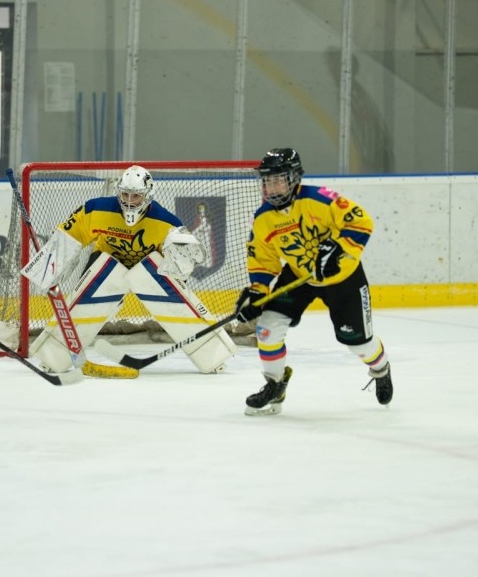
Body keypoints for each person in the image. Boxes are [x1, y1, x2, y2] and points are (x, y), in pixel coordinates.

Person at [22, 165, 236, 378]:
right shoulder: (95, 210)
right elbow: (68, 237)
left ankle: (213, 354)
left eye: (136, 196)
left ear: (148, 195)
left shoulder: (167, 224)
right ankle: (53, 357)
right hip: (106, 265)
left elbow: (178, 271)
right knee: (91, 293)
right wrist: (48, 268)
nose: (129, 201)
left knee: (169, 291)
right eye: (125, 194)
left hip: (147, 270)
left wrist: (181, 259)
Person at [234, 148, 392, 415]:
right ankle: (275, 384)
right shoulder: (263, 219)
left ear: (294, 178)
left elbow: (361, 221)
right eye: (267, 181)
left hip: (343, 278)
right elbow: (262, 260)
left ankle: (381, 369)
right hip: (299, 277)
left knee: (358, 344)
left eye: (278, 180)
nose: (271, 187)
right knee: (267, 328)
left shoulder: (320, 199)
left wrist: (339, 248)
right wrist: (257, 293)